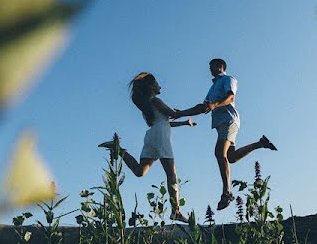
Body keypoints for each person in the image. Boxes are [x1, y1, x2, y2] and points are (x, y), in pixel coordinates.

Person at [99, 72, 209, 223]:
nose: (160, 86)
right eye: (157, 83)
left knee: (140, 171)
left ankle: (120, 150)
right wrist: (197, 110)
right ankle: (175, 210)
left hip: (152, 135)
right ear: (151, 86)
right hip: (161, 137)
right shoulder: (155, 101)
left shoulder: (146, 108)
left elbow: (164, 122)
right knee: (171, 174)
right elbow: (173, 114)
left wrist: (185, 123)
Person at [203, 58, 277, 210]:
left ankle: (226, 193)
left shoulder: (228, 79)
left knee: (219, 153)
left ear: (221, 66)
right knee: (231, 157)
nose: (209, 68)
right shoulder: (212, 88)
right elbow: (203, 107)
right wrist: (181, 114)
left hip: (228, 121)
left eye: (212, 66)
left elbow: (231, 97)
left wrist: (215, 104)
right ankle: (260, 143)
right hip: (222, 124)